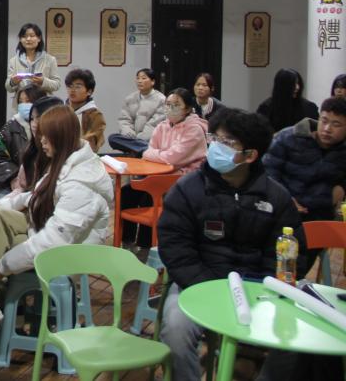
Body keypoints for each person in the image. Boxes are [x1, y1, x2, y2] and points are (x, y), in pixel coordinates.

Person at [158, 108, 301, 381]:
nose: (215, 147)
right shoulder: (187, 190)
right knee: (175, 330)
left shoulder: (276, 198)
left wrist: (263, 288)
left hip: (258, 289)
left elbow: (288, 254)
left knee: (294, 336)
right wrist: (209, 287)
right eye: (214, 138)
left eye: (227, 143)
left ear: (250, 155)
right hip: (198, 284)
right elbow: (175, 249)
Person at [0, 105, 113, 334]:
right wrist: (6, 204)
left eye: (46, 136)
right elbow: (36, 197)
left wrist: (5, 265)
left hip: (66, 252)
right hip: (41, 229)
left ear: (61, 136)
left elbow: (54, 241)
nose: (42, 141)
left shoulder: (82, 182)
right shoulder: (65, 161)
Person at [122, 88, 208, 248]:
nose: (170, 108)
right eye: (168, 104)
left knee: (149, 195)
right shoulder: (162, 126)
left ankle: (146, 245)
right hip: (158, 174)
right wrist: (160, 155)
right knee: (126, 193)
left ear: (187, 109)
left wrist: (156, 155)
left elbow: (173, 158)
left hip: (184, 178)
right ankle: (127, 240)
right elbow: (149, 153)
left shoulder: (194, 129)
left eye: (176, 105)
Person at [263, 97, 346, 222]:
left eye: (336, 124)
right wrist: (285, 198)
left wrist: (342, 189)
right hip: (280, 210)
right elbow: (268, 171)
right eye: (324, 121)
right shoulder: (288, 137)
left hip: (321, 216)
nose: (327, 129)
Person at [0, 85, 46, 195]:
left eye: (28, 101)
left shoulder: (50, 126)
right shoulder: (11, 127)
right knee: (1, 204)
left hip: (43, 185)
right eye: (21, 102)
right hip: (13, 185)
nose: (24, 105)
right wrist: (13, 177)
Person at [107, 68, 167, 156]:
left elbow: (153, 125)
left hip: (149, 140)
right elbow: (124, 120)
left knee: (148, 142)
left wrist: (138, 139)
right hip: (132, 138)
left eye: (143, 78)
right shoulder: (130, 98)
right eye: (138, 78)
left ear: (152, 82)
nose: (139, 81)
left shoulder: (161, 100)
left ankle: (136, 149)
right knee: (112, 138)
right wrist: (129, 133)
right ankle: (140, 150)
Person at [5, 23, 61, 106]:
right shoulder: (13, 61)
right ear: (20, 39)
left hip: (43, 105)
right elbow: (8, 87)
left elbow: (57, 84)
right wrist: (13, 82)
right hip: (22, 104)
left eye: (32, 36)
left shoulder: (50, 59)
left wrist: (43, 81)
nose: (28, 39)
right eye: (24, 36)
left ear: (39, 38)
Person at [257, 68, 320, 132]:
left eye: (298, 83)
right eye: (293, 84)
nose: (297, 87)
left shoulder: (309, 108)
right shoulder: (266, 108)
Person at [64, 68, 106, 153]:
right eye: (70, 86)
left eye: (78, 87)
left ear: (89, 92)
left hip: (82, 156)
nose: (72, 90)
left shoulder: (94, 114)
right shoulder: (61, 110)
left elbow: (93, 142)